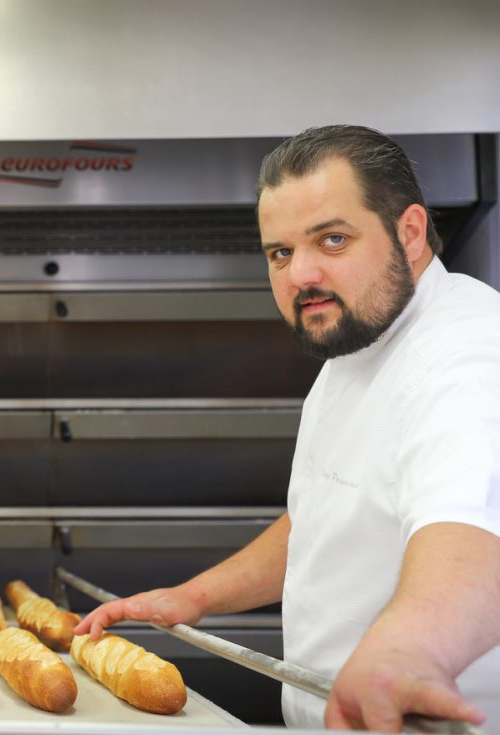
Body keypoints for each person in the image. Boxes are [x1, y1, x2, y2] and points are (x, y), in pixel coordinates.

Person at [76, 125, 500, 732]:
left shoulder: (467, 356)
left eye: (332, 239)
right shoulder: (357, 345)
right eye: (279, 252)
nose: (300, 274)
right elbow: (328, 511)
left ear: (409, 233)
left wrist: (410, 654)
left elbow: (473, 534)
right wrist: (195, 598)